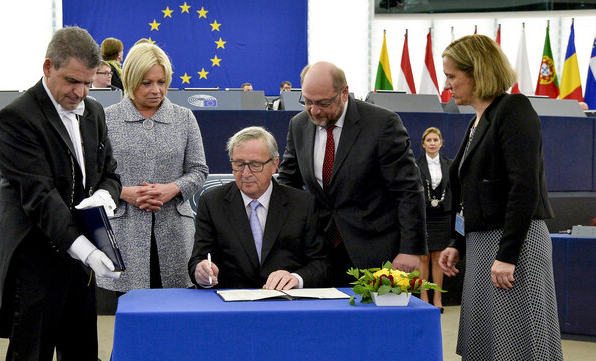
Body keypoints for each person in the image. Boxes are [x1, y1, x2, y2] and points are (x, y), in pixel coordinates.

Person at [0, 27, 122, 361]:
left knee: (80, 357)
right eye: (72, 81)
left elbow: (108, 168)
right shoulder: (16, 117)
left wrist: (106, 192)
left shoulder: (92, 112)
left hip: (76, 262)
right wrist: (86, 249)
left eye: (89, 83)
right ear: (47, 67)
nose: (81, 93)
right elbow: (40, 199)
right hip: (34, 262)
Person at [438, 34, 562, 361]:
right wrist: (457, 243)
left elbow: (522, 188)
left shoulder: (515, 111)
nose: (447, 84)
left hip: (516, 247)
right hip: (485, 244)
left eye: (453, 76)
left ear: (477, 70)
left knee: (518, 357)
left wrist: (506, 253)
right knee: (491, 352)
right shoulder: (480, 120)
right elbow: (474, 195)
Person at [278, 61, 426, 284]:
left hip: (378, 252)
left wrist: (410, 250)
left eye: (323, 103)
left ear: (344, 93)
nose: (314, 110)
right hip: (321, 254)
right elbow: (288, 183)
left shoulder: (382, 123)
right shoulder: (298, 125)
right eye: (307, 101)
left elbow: (408, 191)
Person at [97, 43, 208, 293]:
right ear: (130, 80)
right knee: (133, 321)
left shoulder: (184, 118)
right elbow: (94, 175)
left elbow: (199, 170)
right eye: (147, 83)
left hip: (176, 234)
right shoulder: (105, 118)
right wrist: (124, 193)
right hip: (125, 233)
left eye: (162, 82)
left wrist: (172, 189)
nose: (156, 90)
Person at [190, 126, 329, 289]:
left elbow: (322, 264)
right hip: (232, 302)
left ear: (274, 164)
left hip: (286, 300)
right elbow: (199, 260)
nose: (246, 173)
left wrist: (297, 279)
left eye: (255, 165)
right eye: (239, 164)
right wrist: (201, 272)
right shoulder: (212, 203)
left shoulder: (302, 204)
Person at [416, 127, 452, 312]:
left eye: (435, 140)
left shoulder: (449, 164)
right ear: (423, 144)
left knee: (438, 257)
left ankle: (437, 296)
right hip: (423, 215)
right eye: (428, 140)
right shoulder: (415, 165)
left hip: (443, 216)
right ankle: (423, 296)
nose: (432, 143)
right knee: (423, 257)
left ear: (441, 143)